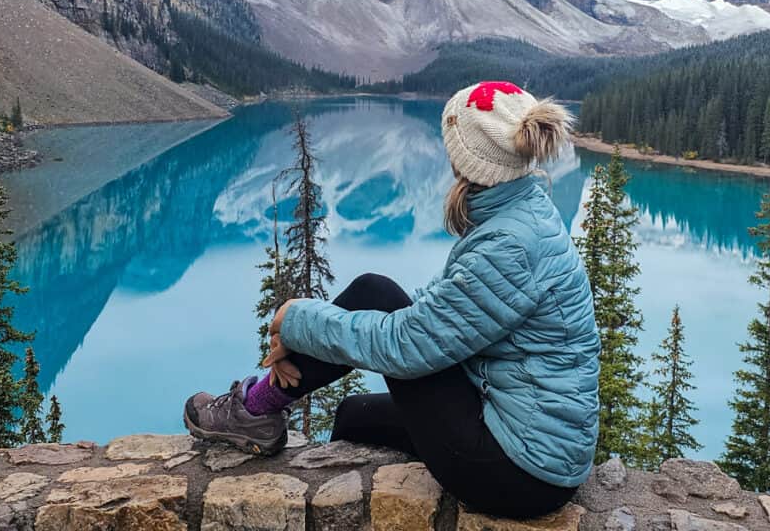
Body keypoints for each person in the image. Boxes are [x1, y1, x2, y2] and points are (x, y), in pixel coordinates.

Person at [184, 81, 600, 519]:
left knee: (374, 292)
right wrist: (309, 333)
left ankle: (254, 410)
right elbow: (444, 311)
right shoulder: (519, 209)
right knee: (352, 417)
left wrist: (298, 321)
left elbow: (405, 346)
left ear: (468, 158)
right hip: (519, 431)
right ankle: (264, 413)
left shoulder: (511, 244)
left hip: (521, 471)